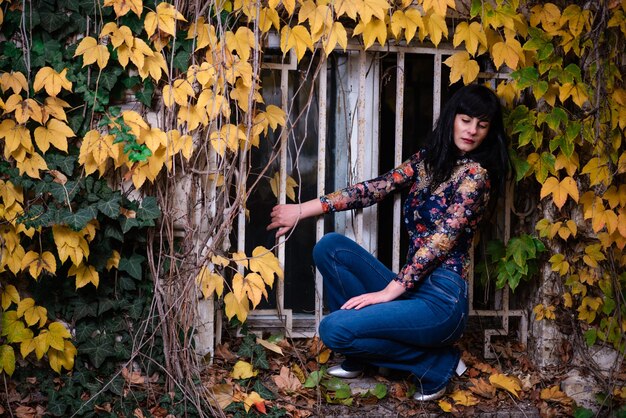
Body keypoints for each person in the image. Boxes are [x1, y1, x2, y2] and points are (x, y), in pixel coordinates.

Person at [267, 84, 511, 401]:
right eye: (466, 120)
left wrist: (390, 291)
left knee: (333, 330)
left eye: (482, 125)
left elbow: (440, 241)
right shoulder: (429, 161)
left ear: (489, 131)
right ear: (453, 118)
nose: (472, 131)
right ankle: (360, 356)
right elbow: (377, 188)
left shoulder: (476, 175)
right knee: (330, 247)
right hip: (412, 288)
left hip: (442, 299)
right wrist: (302, 210)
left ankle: (435, 364)